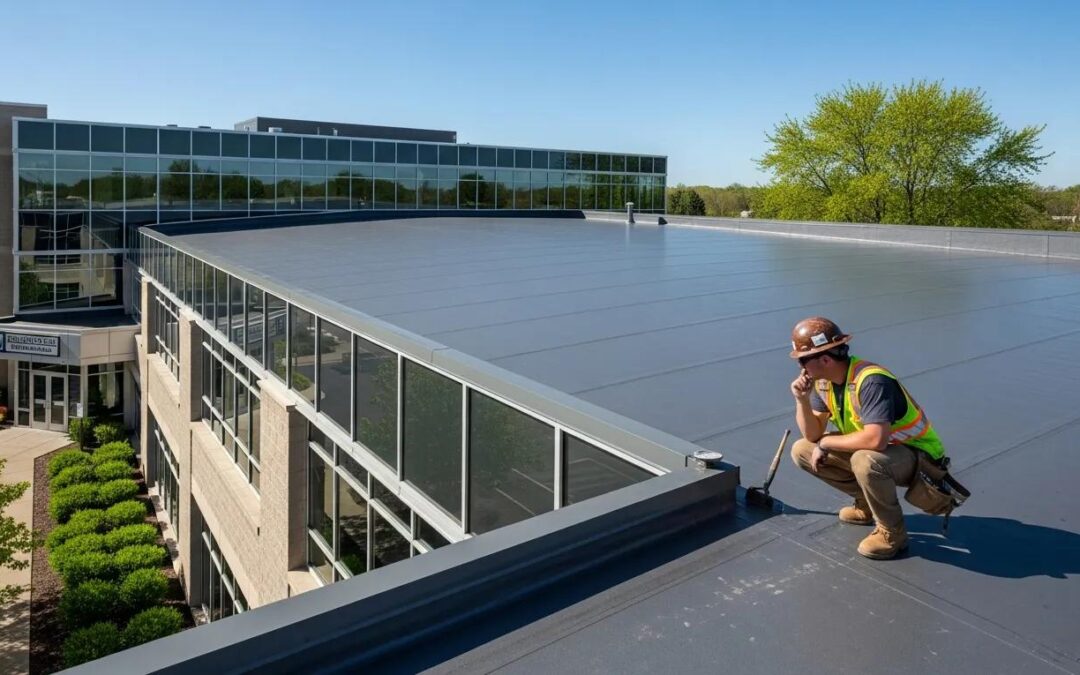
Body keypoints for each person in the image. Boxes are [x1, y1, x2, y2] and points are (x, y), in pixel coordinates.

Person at [787, 317, 948, 560]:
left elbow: (876, 440)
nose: (801, 368)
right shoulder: (824, 383)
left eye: (802, 360)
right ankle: (866, 503)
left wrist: (827, 443)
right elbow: (812, 435)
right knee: (802, 450)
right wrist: (801, 399)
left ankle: (892, 534)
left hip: (919, 457)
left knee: (865, 460)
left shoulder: (871, 381)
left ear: (825, 359)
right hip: (885, 453)